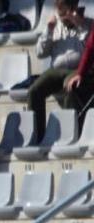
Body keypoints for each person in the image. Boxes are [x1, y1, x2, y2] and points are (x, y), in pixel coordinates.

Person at [30, 0, 94, 144]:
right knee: (34, 90)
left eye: (64, 12)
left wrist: (78, 25)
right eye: (59, 13)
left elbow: (89, 52)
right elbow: (40, 53)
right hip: (56, 71)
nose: (62, 17)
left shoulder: (88, 24)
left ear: (73, 9)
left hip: (77, 70)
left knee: (69, 87)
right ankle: (37, 135)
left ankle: (70, 134)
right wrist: (48, 30)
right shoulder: (56, 26)